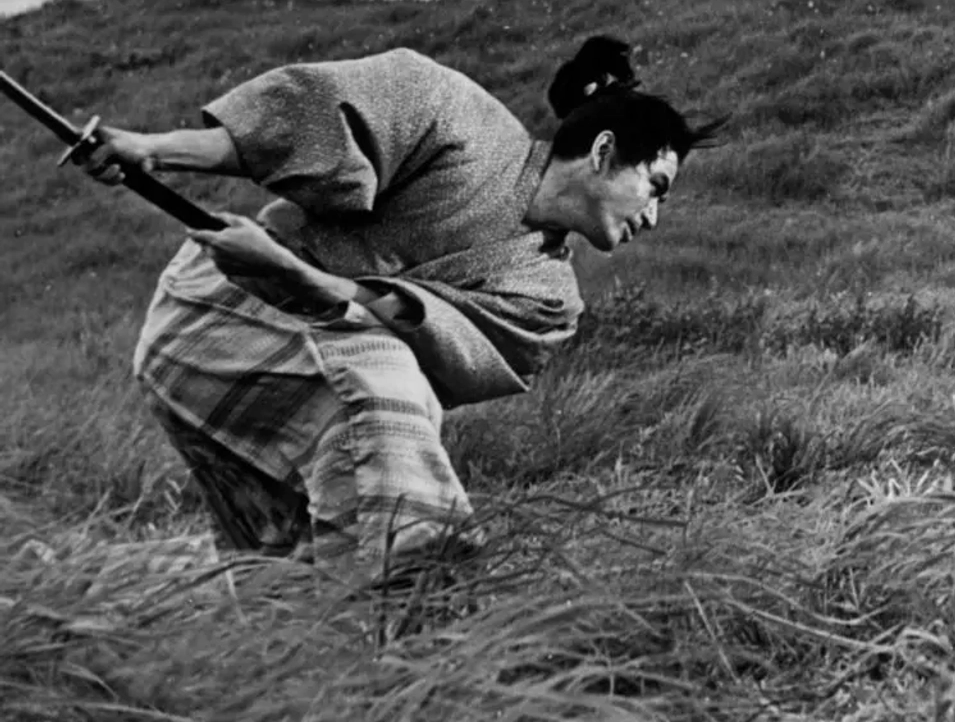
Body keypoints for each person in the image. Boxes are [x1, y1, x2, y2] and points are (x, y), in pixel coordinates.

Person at [83, 35, 719, 583]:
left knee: (287, 584)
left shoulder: (550, 301)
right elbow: (298, 125)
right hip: (219, 313)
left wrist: (301, 277)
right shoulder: (451, 112)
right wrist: (152, 148)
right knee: (387, 388)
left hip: (292, 399)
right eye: (655, 188)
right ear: (604, 152)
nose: (654, 216)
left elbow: (433, 341)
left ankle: (346, 693)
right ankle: (420, 584)